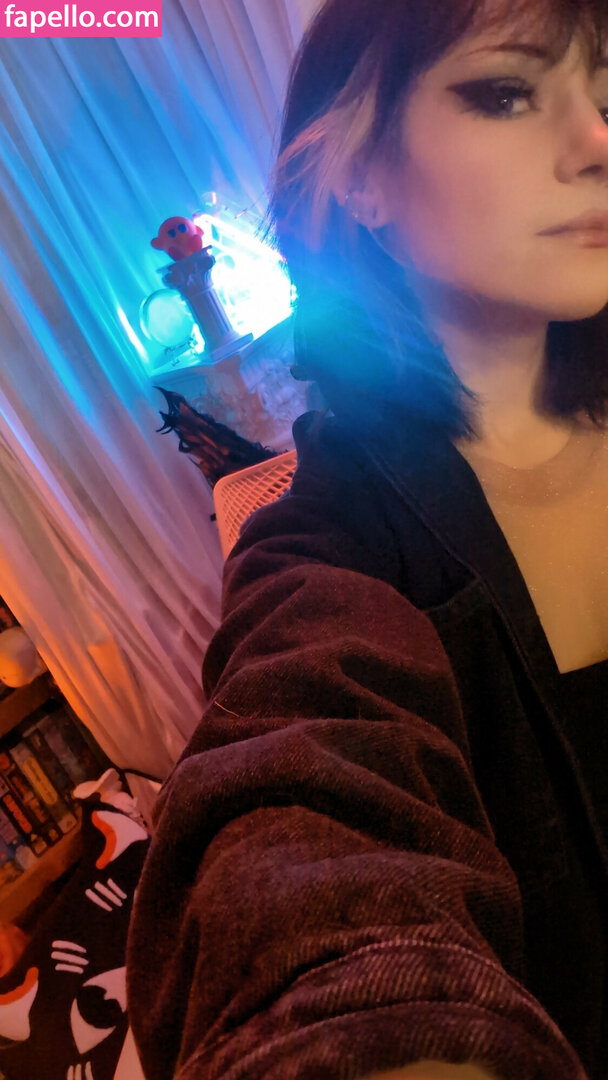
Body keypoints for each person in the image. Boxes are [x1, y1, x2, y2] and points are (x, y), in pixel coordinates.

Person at [126, 0, 608, 1076]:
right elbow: (293, 802)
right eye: (505, 92)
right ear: (357, 176)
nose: (596, 143)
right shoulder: (328, 543)